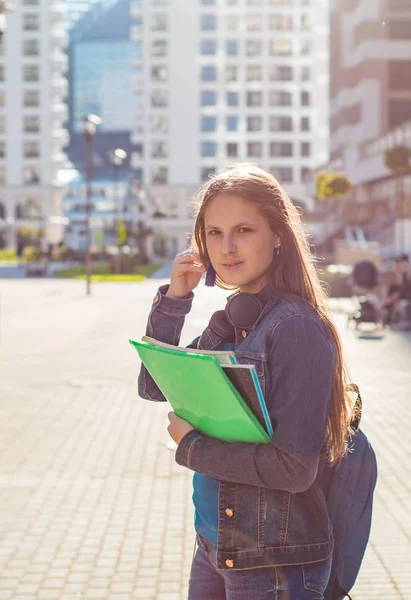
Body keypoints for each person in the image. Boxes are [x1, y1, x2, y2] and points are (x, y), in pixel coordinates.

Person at [138, 164, 357, 600]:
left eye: (243, 229)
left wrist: (191, 446)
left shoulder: (295, 327)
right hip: (217, 545)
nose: (227, 247)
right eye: (214, 232)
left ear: (278, 235)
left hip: (275, 562)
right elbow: (154, 386)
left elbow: (294, 470)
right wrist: (175, 301)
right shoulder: (235, 319)